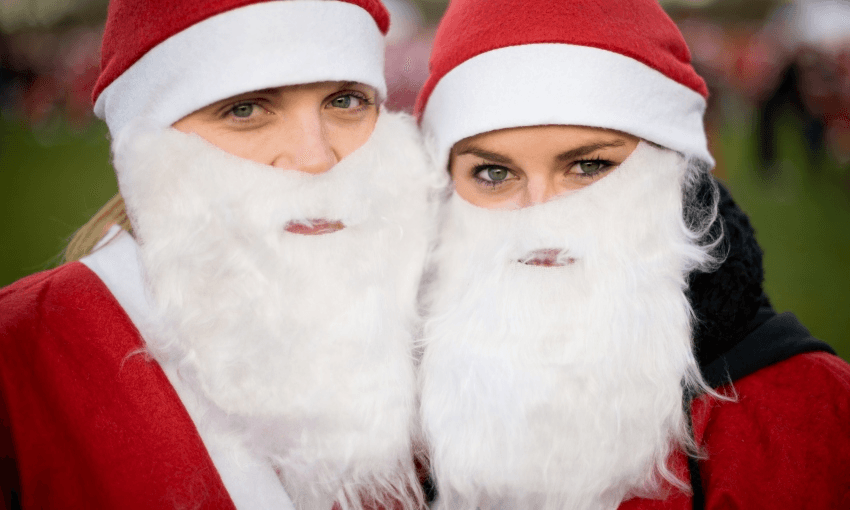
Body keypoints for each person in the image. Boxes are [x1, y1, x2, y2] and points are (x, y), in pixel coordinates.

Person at [0, 0, 439, 509]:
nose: (317, 157)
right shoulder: (20, 358)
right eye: (246, 109)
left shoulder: (432, 335)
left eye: (345, 101)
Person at [413, 0, 850, 509]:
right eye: (494, 173)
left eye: (589, 167)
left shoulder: (806, 412)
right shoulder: (385, 411)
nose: (540, 215)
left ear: (670, 175)